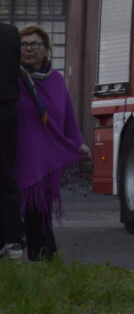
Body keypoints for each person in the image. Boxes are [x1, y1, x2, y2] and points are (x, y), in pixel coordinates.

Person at [15, 26, 86, 260]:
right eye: (24, 45)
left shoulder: (55, 79)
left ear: (46, 50)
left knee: (39, 210)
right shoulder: (12, 78)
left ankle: (43, 259)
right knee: (14, 208)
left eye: (35, 45)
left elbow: (66, 114)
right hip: (17, 155)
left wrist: (77, 142)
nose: (29, 49)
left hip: (45, 158)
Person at [0, 24, 24, 261]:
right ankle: (14, 239)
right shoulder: (10, 32)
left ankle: (9, 239)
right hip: (8, 110)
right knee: (7, 176)